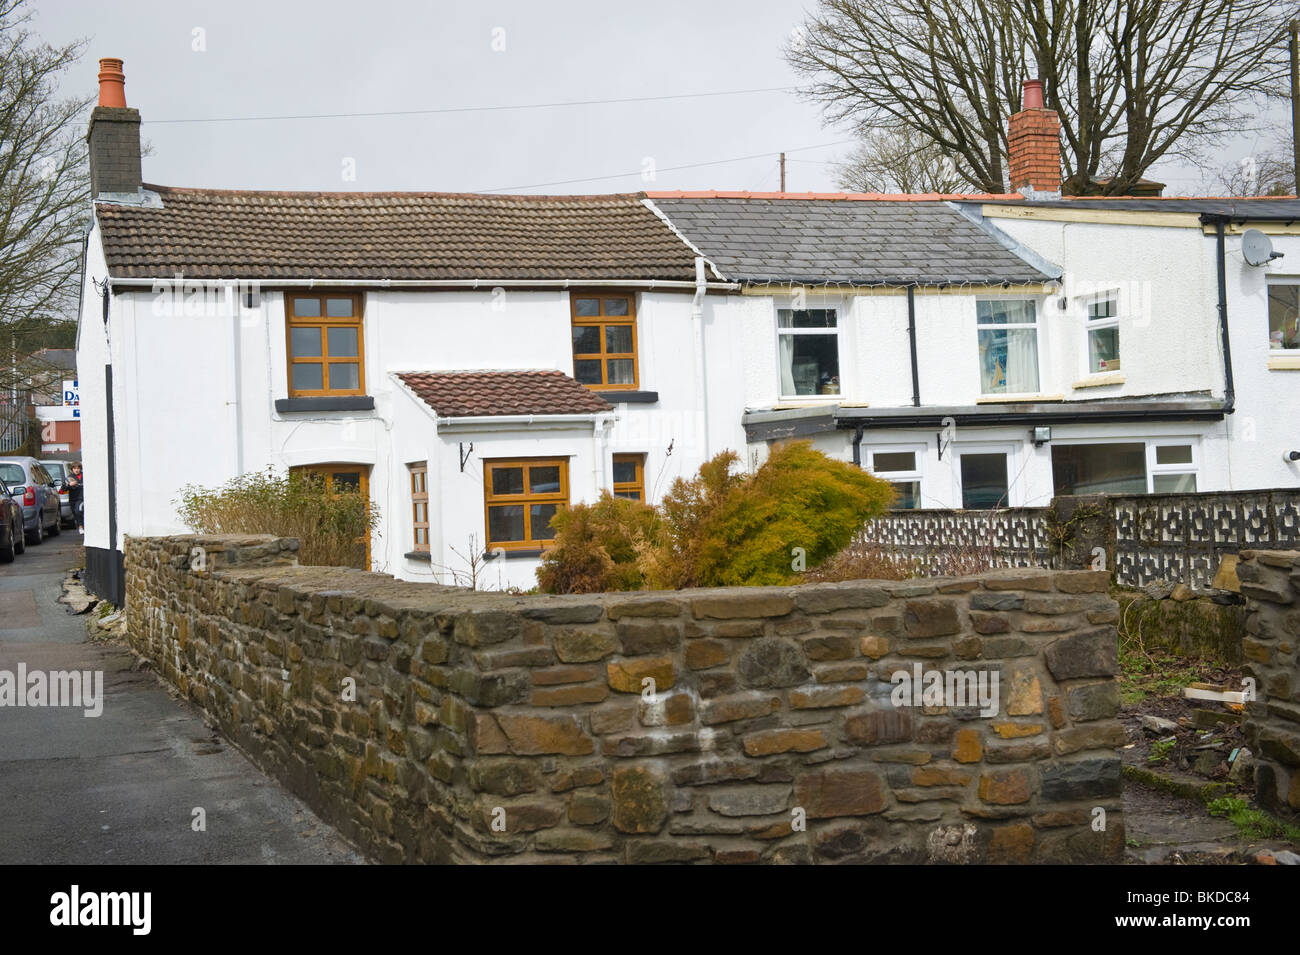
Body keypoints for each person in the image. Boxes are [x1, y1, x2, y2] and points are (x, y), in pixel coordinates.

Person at [67, 461, 84, 534]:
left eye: (78, 468)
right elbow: (63, 488)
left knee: (78, 510)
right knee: (75, 513)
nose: (76, 470)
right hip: (73, 499)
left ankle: (81, 527)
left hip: (80, 498)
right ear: (72, 469)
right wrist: (69, 485)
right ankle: (81, 525)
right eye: (74, 468)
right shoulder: (69, 477)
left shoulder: (84, 476)